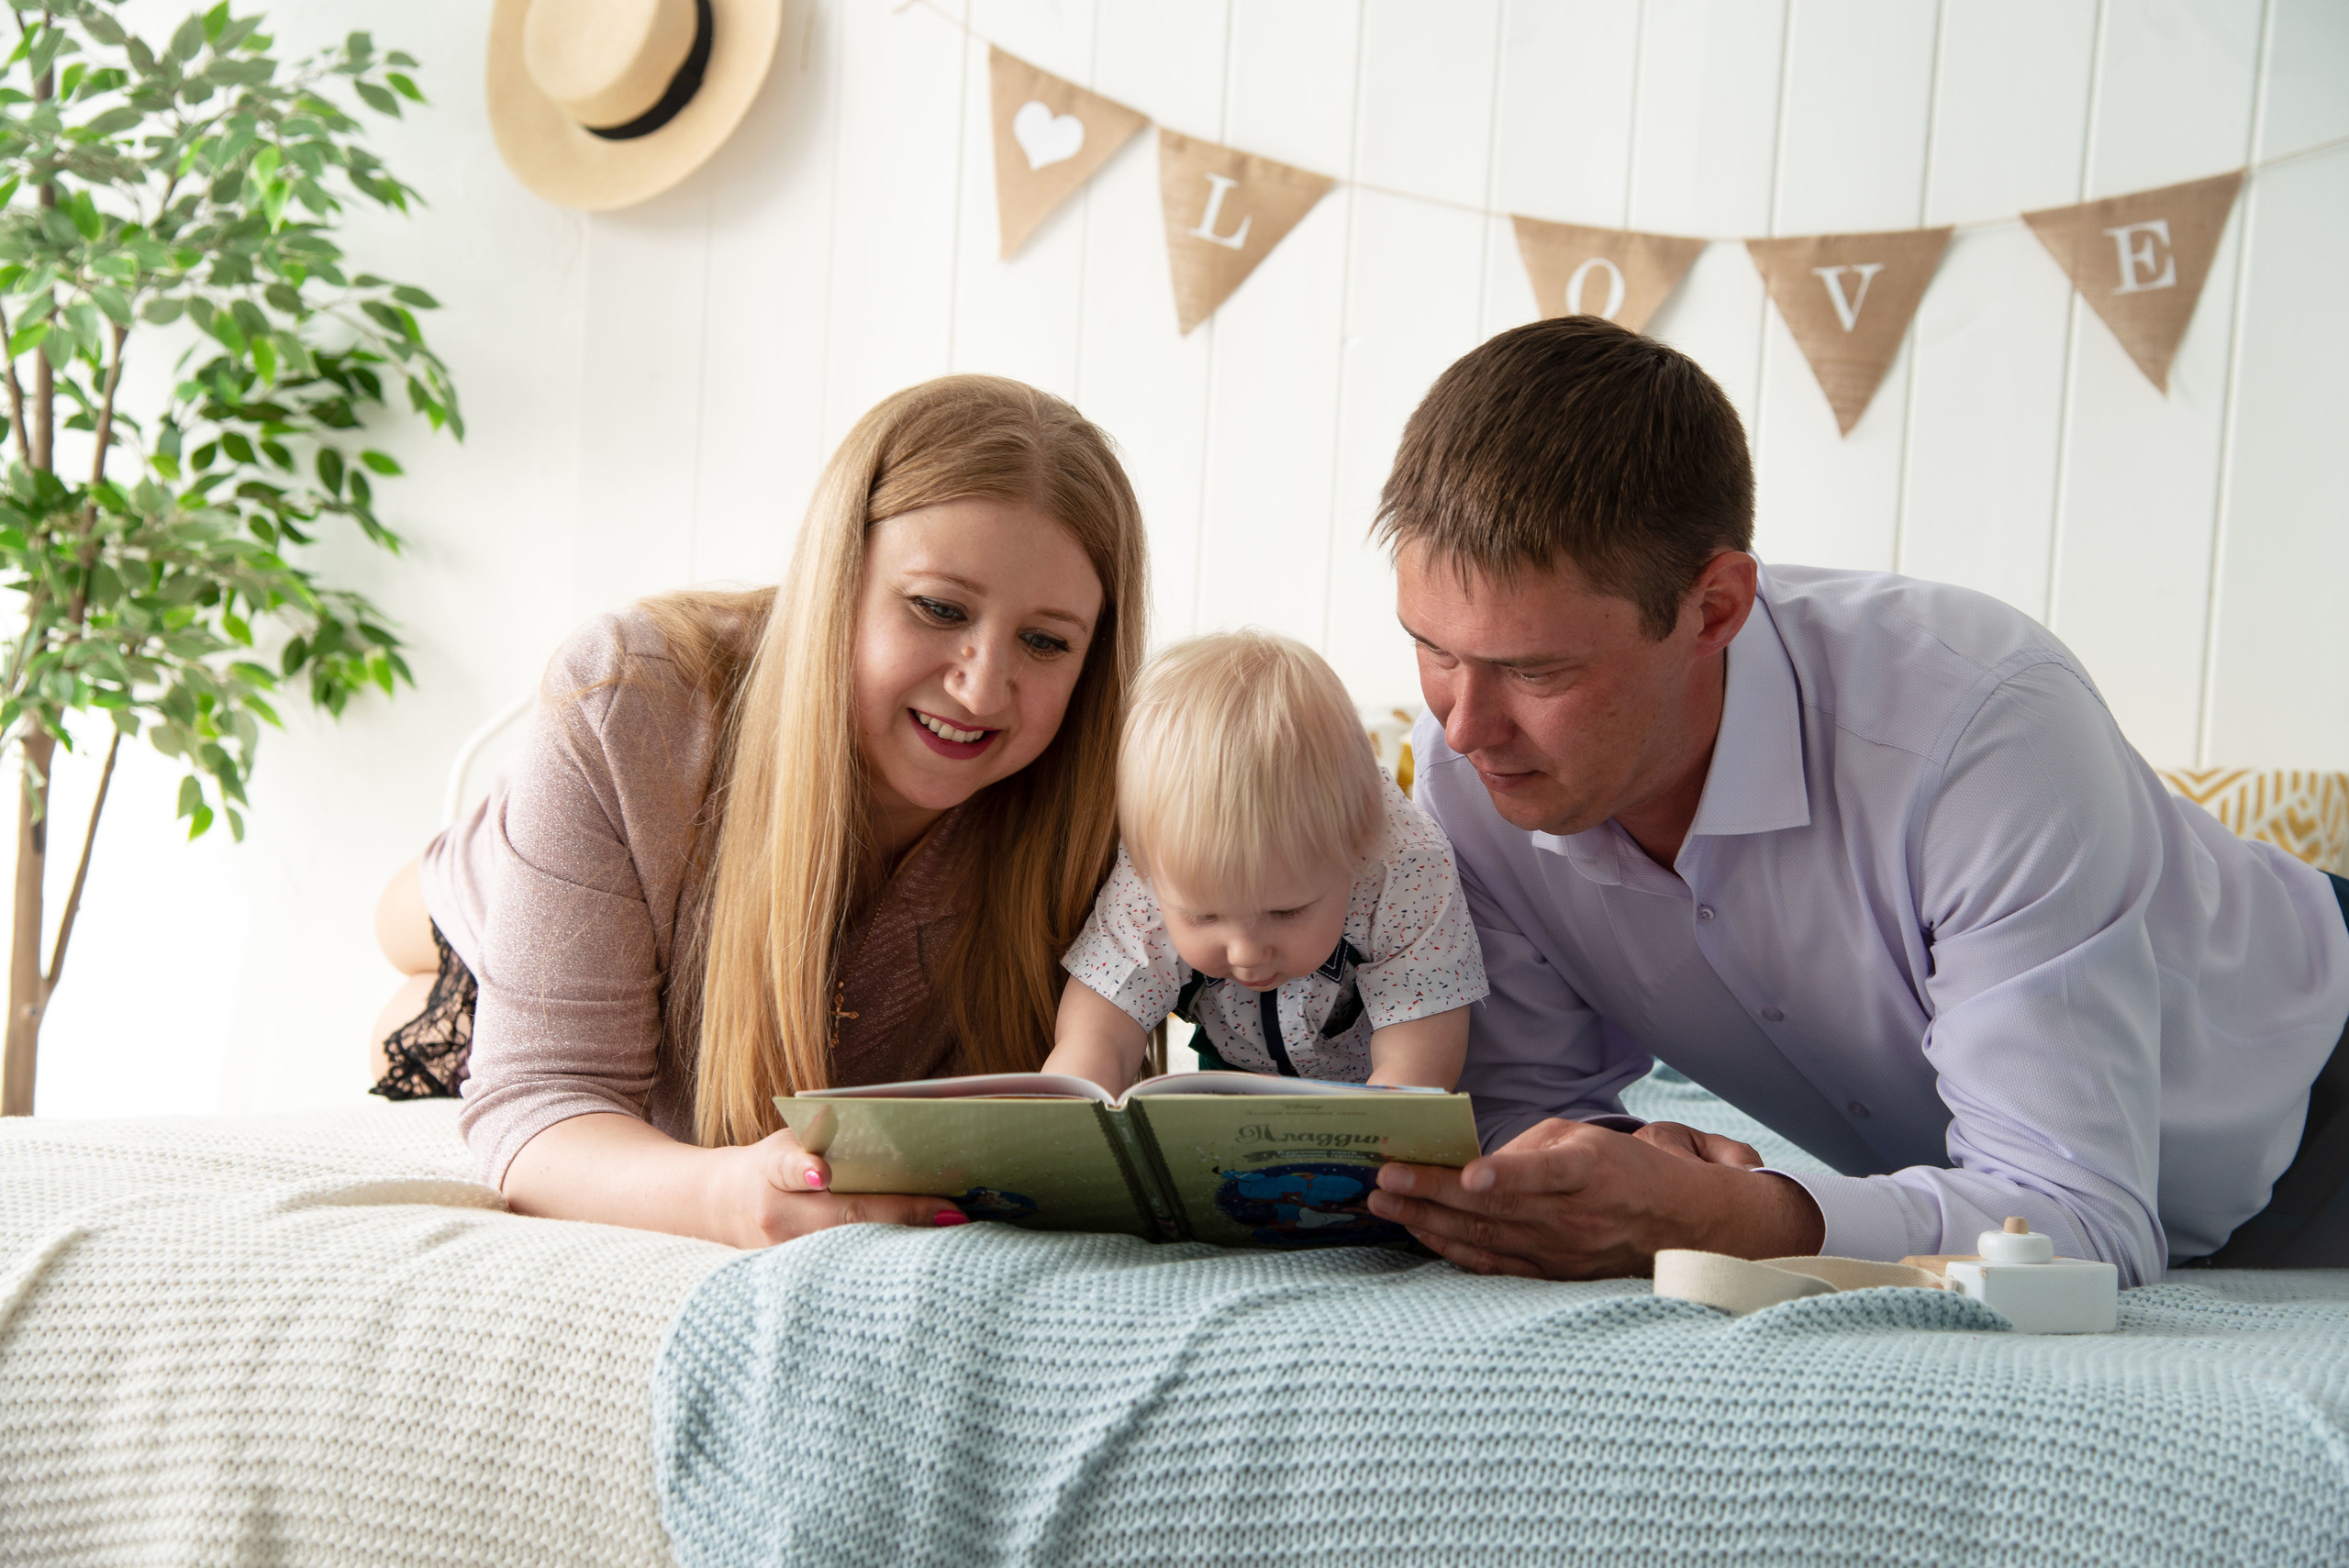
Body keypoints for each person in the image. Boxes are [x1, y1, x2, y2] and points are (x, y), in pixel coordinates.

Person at [1361, 317, 2349, 1286]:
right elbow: (1529, 1114)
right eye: (1434, 649)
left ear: (1713, 609)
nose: (1464, 727)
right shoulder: (1465, 780)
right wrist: (1620, 1167)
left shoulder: (1984, 729)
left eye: (1536, 670)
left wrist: (1730, 1215)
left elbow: (2079, 1214)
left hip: (2316, 1095)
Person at [367, 375, 1149, 1247]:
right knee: (410, 962)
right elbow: (541, 1101)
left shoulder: (1119, 795)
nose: (981, 684)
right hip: (509, 880)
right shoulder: (630, 693)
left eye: (1045, 641)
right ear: (835, 582)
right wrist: (727, 1195)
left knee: (415, 1011)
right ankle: (442, 887)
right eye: (938, 608)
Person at [1042, 630, 1485, 1095]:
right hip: (1231, 1066)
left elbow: (1420, 1063)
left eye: (1285, 912)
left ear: (1359, 848)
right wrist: (1065, 1120)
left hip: (1366, 1080)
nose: (1246, 953)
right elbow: (1098, 1032)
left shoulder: (1408, 867)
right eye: (1205, 915)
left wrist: (1372, 1147)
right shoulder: (1156, 861)